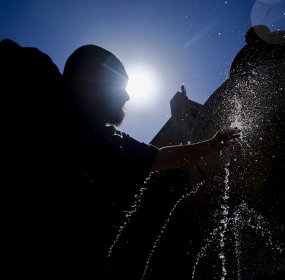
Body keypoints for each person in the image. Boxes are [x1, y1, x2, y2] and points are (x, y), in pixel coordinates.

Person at [62, 44, 241, 277]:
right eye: (119, 84)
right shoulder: (39, 91)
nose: (127, 95)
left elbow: (162, 156)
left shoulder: (107, 140)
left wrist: (213, 144)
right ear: (93, 72)